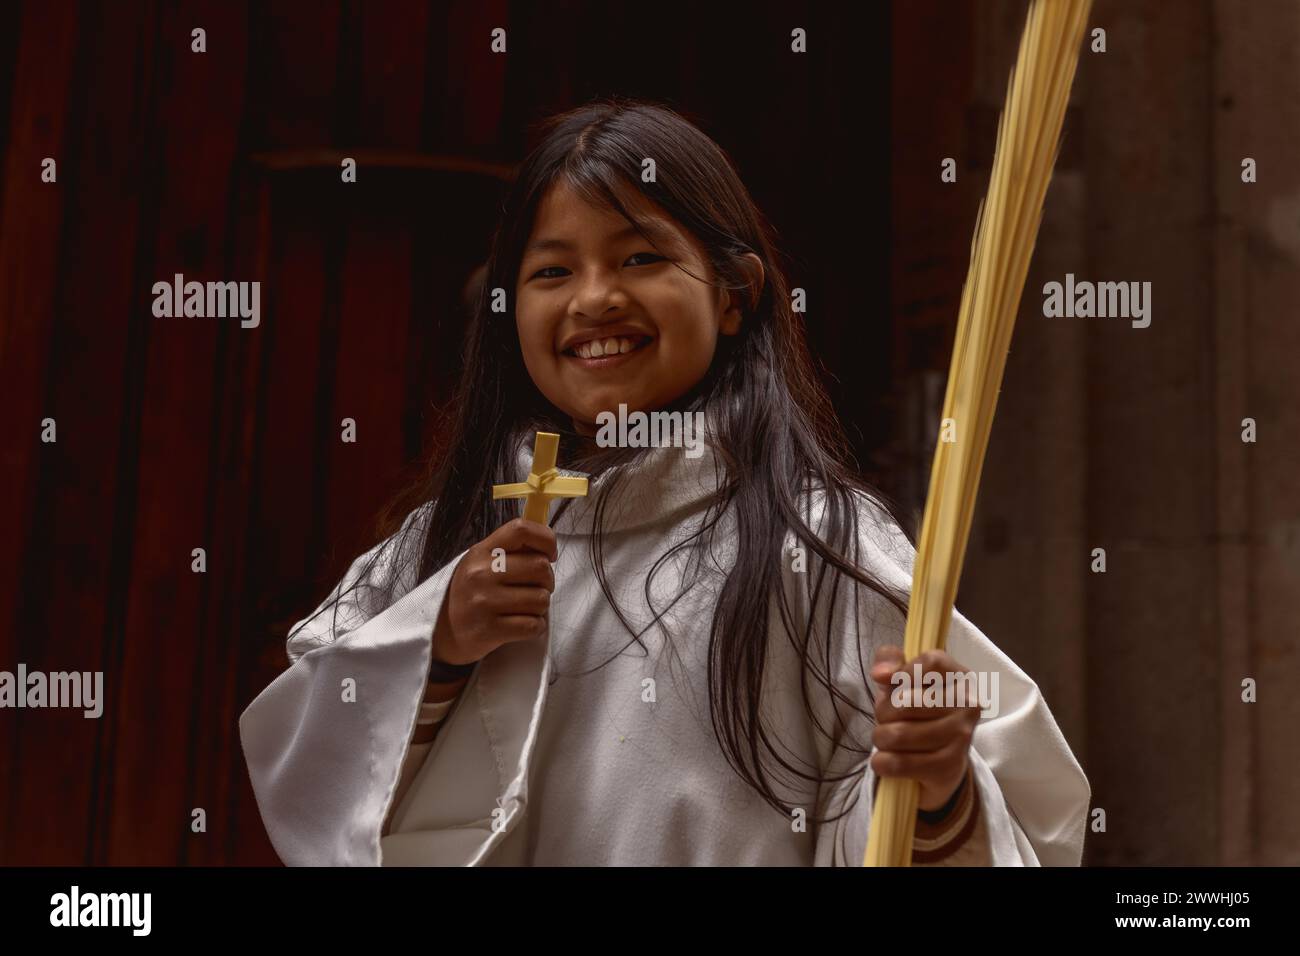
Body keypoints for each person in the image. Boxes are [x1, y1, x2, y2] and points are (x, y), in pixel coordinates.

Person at [239, 97, 1090, 866]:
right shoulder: (446, 542)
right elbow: (313, 791)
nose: (594, 299)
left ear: (735, 294)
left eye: (641, 257)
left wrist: (934, 790)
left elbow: (947, 817)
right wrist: (439, 648)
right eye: (552, 271)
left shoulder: (818, 545)